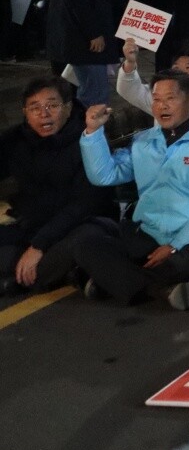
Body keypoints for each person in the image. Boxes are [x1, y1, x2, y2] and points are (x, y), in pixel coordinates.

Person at [75, 70, 189, 309]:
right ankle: (162, 286)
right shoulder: (143, 141)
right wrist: (93, 133)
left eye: (171, 98)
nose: (162, 106)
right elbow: (105, 174)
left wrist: (176, 244)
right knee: (86, 244)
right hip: (148, 233)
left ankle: (116, 281)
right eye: (156, 99)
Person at [0, 76, 117, 295]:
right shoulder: (16, 140)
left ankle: (25, 279)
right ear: (25, 112)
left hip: (81, 224)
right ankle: (70, 272)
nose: (44, 114)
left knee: (83, 242)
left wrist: (38, 246)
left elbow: (85, 204)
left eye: (52, 106)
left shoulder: (89, 139)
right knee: (20, 258)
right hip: (34, 227)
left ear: (68, 107)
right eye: (35, 108)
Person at [116, 39, 189, 135]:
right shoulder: (161, 94)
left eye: (188, 67)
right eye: (176, 68)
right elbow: (130, 89)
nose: (181, 73)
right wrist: (130, 62)